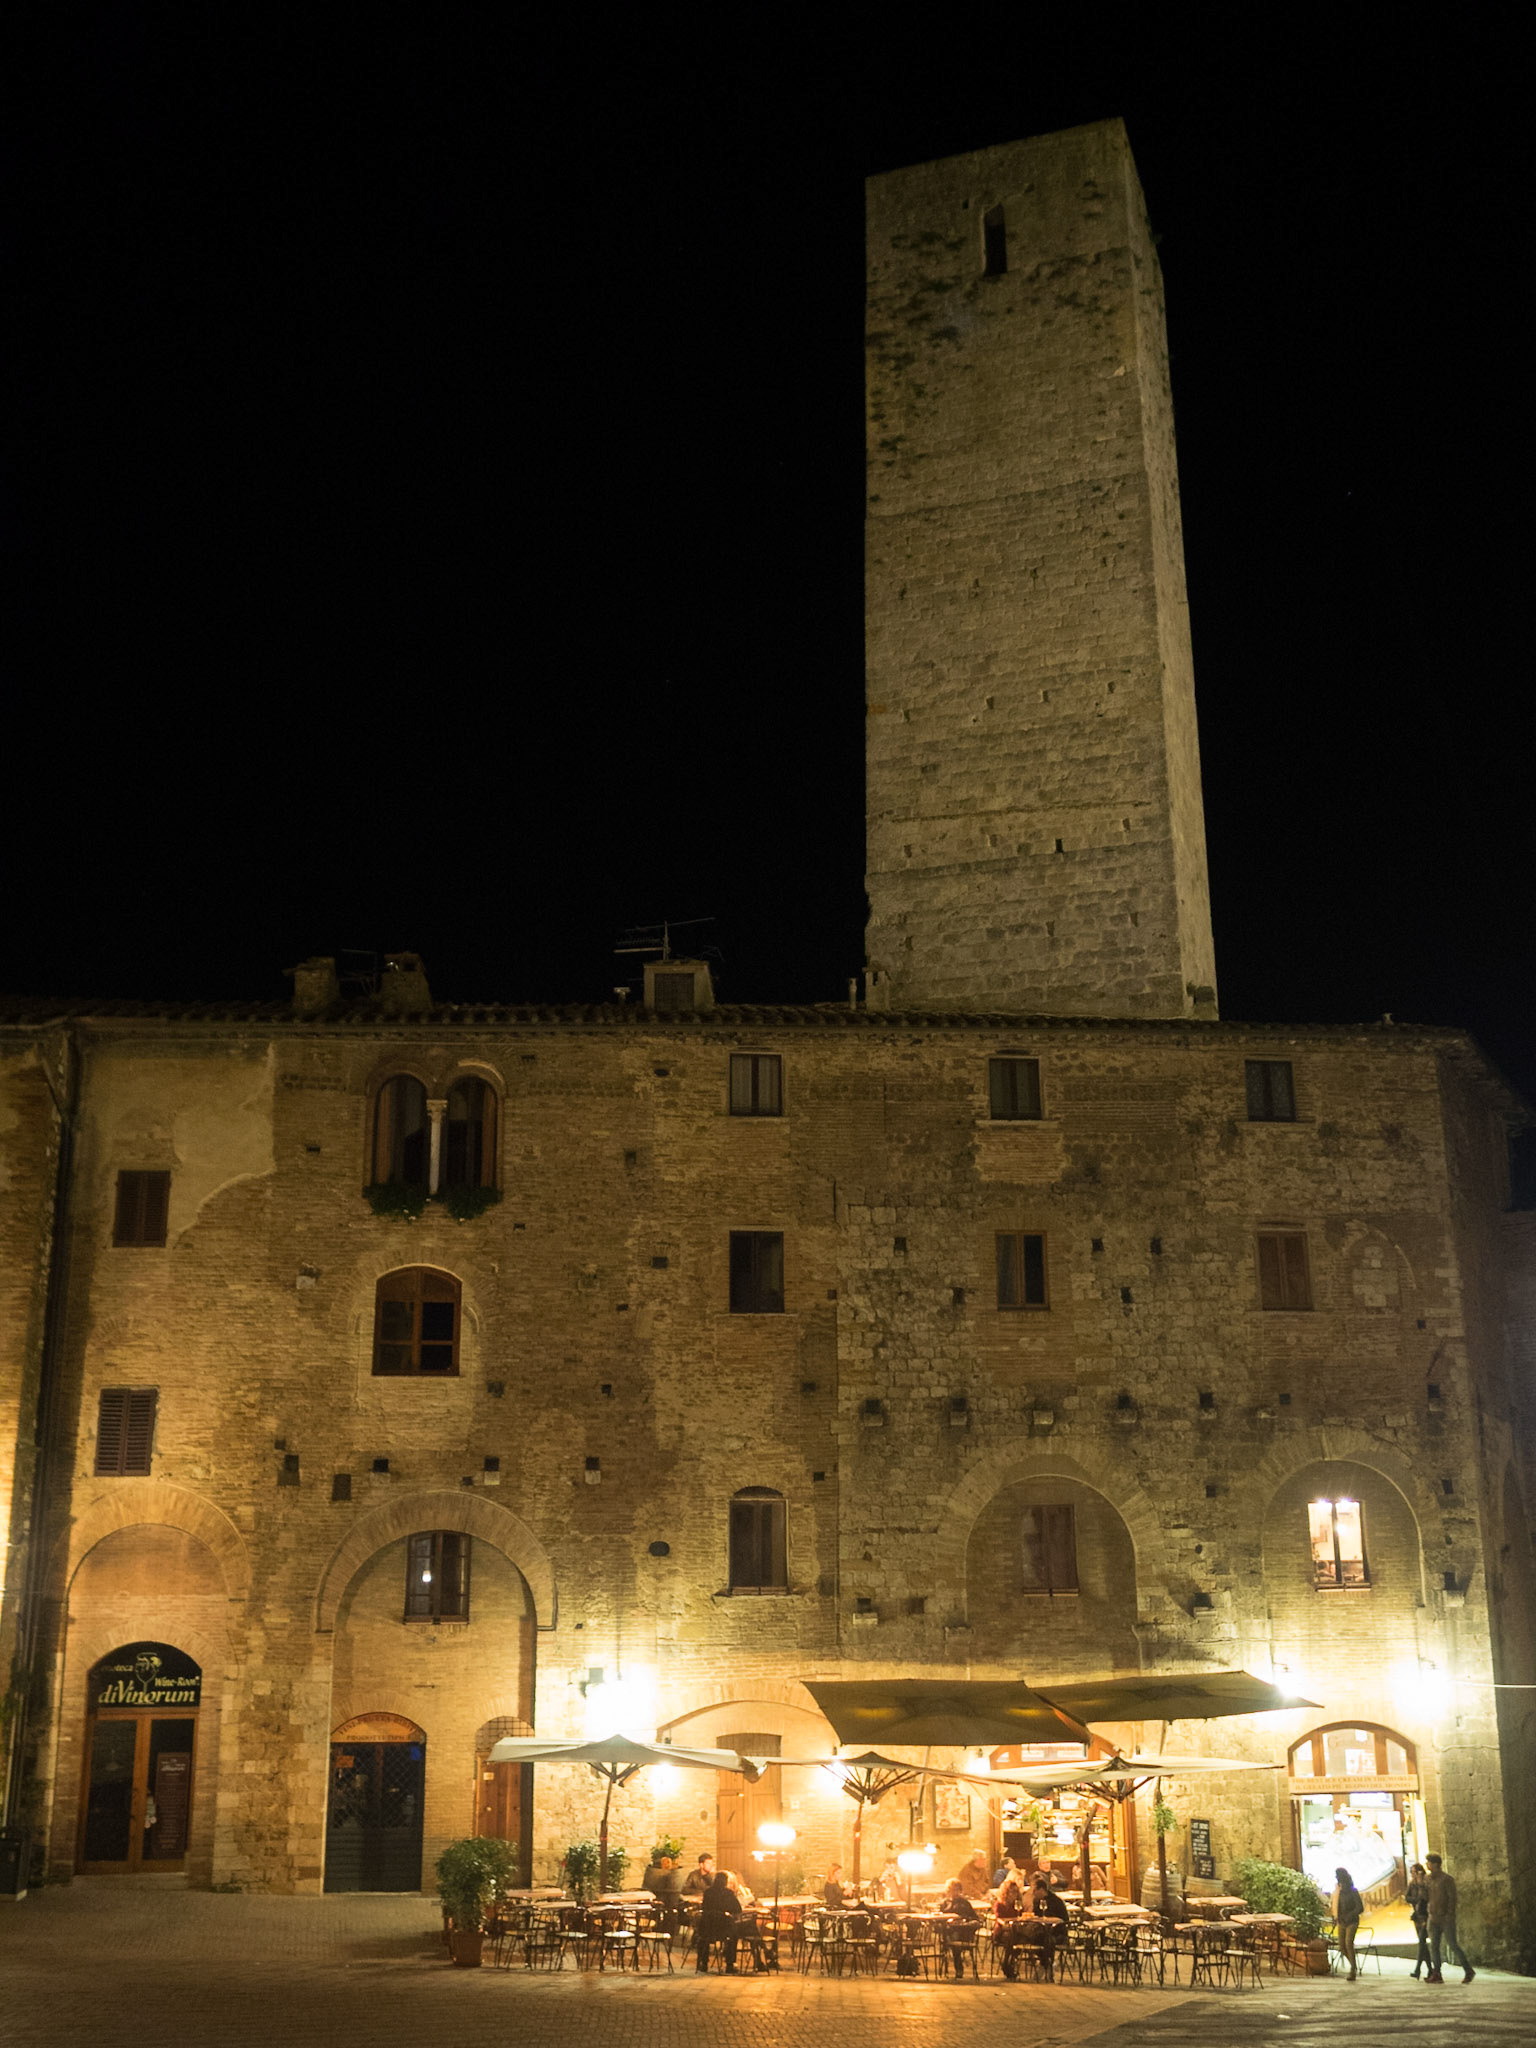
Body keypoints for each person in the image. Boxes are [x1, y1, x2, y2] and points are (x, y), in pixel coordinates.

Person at [1424, 1853, 1475, 1984]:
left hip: (1445, 1918)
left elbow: (1452, 1898)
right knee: (1434, 1946)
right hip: (1433, 1917)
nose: (1427, 1864)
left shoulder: (1446, 1879)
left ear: (1435, 1864)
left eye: (1429, 1862)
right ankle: (1437, 1973)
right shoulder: (1428, 1879)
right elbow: (1426, 1896)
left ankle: (1468, 1970)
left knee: (1452, 1944)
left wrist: (1449, 1914)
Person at [695, 1869, 742, 1973]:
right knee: (734, 1935)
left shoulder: (707, 1892)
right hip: (723, 1929)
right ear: (725, 1882)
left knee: (703, 1938)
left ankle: (703, 1963)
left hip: (707, 1928)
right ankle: (730, 1964)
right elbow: (737, 1909)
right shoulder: (728, 1893)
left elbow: (705, 1907)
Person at [938, 1877, 980, 1978]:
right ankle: (958, 1967)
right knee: (952, 1937)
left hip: (964, 1932)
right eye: (951, 1890)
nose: (954, 1892)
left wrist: (963, 1920)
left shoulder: (964, 1903)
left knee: (955, 1938)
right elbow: (939, 1918)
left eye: (956, 1890)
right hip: (948, 1931)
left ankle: (959, 1967)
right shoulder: (944, 1903)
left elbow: (974, 1918)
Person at [1331, 1866, 1363, 1980]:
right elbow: (1336, 1905)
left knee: (1349, 1943)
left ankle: (1353, 1970)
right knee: (1342, 1945)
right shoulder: (1339, 1892)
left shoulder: (1353, 1891)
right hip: (1342, 1921)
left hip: (1352, 1921)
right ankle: (1353, 1965)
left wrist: (1349, 1915)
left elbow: (1360, 1907)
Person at [1405, 1862, 1431, 1979]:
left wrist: (1421, 1888)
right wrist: (1415, 1899)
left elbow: (1427, 1898)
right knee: (1422, 1944)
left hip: (1425, 1915)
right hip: (1417, 1915)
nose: (1413, 1875)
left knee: (1421, 1942)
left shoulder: (1425, 1884)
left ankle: (1418, 1969)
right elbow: (1407, 1897)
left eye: (1414, 1872)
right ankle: (1430, 1969)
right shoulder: (1412, 1884)